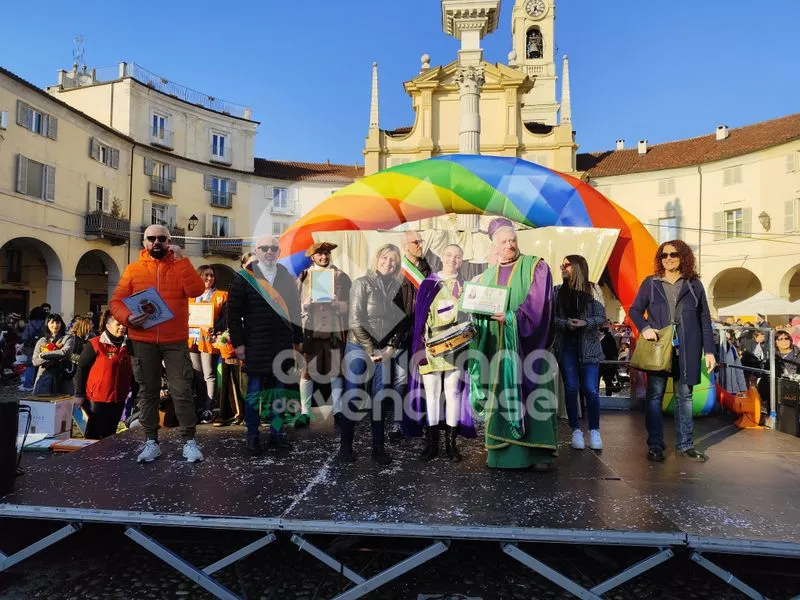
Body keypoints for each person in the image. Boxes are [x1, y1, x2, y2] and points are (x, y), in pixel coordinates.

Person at [110, 224, 206, 463]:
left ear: (169, 241)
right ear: (144, 242)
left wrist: (183, 260)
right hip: (142, 340)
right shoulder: (133, 270)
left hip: (175, 340)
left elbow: (196, 289)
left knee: (182, 390)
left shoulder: (179, 265)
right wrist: (128, 318)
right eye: (151, 238)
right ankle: (151, 441)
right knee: (147, 392)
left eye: (161, 239)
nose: (156, 242)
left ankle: (189, 442)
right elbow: (116, 302)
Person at [467, 218, 557, 470]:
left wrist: (510, 318)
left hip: (528, 348)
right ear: (494, 246)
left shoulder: (535, 267)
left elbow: (539, 307)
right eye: (504, 242)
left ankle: (538, 454)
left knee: (533, 397)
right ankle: (501, 454)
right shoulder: (486, 276)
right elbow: (477, 310)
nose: (509, 245)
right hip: (497, 350)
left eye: (513, 240)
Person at [629, 240, 716, 463]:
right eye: (663, 255)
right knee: (655, 396)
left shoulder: (694, 284)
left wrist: (709, 351)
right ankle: (655, 445)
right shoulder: (651, 283)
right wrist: (645, 328)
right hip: (658, 346)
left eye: (673, 254)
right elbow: (635, 310)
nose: (668, 258)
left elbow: (704, 318)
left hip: (687, 347)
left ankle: (685, 445)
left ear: (683, 257)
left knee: (684, 396)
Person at [228, 235, 302, 456]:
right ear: (256, 251)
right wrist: (239, 344)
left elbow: (295, 311)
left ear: (278, 252)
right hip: (255, 344)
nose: (269, 252)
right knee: (254, 394)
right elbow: (233, 316)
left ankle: (276, 435)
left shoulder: (286, 277)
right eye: (264, 248)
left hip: (281, 344)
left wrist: (298, 340)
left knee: (280, 394)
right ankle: (252, 437)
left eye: (273, 248)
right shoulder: (244, 277)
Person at [339, 243, 405, 465]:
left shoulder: (397, 287)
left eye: (393, 260)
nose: (389, 263)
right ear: (377, 259)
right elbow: (356, 320)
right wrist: (371, 350)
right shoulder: (361, 283)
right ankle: (345, 447)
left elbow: (400, 322)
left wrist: (392, 346)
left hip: (383, 350)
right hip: (359, 347)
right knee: (353, 397)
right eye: (385, 258)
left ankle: (378, 448)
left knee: (379, 399)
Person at [409, 244, 475, 462]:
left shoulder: (466, 285)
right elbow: (419, 319)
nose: (452, 259)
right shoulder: (429, 284)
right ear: (442, 257)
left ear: (462, 260)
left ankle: (451, 445)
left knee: (453, 393)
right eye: (448, 255)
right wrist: (420, 348)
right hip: (431, 346)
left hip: (456, 345)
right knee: (433, 394)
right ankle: (432, 444)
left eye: (457, 256)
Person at [553, 255, 607, 451]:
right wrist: (565, 323)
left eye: (566, 264)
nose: (563, 267)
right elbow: (552, 319)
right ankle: (575, 430)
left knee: (591, 390)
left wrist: (586, 323)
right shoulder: (557, 291)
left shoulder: (593, 289)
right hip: (566, 345)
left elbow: (602, 317)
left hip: (590, 346)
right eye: (562, 264)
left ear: (577, 267)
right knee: (571, 388)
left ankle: (594, 430)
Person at [296, 241, 351, 428]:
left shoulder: (342, 276)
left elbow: (352, 305)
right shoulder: (303, 277)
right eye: (319, 254)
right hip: (310, 331)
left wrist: (340, 305)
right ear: (312, 257)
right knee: (306, 372)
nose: (324, 257)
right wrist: (304, 305)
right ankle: (305, 412)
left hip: (334, 331)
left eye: (326, 253)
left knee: (336, 371)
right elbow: (294, 304)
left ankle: (338, 411)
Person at [390, 230, 432, 440]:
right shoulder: (397, 270)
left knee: (422, 378)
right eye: (416, 242)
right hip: (402, 334)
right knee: (401, 380)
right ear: (406, 245)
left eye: (420, 241)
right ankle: (398, 423)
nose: (419, 245)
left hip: (423, 334)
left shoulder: (427, 267)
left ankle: (421, 421)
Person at [74, 310, 132, 439]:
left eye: (124, 325)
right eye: (118, 324)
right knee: (93, 435)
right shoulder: (95, 344)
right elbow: (82, 369)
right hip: (96, 399)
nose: (122, 327)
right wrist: (79, 393)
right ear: (108, 325)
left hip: (118, 398)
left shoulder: (129, 346)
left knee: (110, 433)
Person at [188, 265, 228, 424]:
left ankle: (209, 408)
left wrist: (215, 327)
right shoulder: (190, 296)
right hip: (192, 340)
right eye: (205, 276)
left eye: (211, 275)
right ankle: (199, 406)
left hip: (209, 341)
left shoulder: (222, 295)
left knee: (209, 375)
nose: (209, 278)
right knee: (197, 376)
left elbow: (225, 318)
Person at [32, 313, 75, 395]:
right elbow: (35, 361)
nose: (55, 325)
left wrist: (43, 355)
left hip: (62, 377)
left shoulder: (68, 338)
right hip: (44, 379)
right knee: (44, 405)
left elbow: (64, 352)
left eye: (58, 322)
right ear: (47, 324)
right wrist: (54, 356)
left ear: (61, 324)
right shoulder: (42, 341)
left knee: (63, 405)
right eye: (52, 322)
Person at [18, 307, 46, 392]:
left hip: (30, 347)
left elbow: (25, 337)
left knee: (30, 365)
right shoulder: (45, 324)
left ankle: (28, 384)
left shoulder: (29, 325)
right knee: (42, 365)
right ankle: (39, 384)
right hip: (43, 346)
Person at [67, 316, 95, 387]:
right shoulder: (73, 337)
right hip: (74, 369)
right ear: (85, 325)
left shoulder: (91, 336)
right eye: (91, 324)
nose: (93, 325)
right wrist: (83, 360)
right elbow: (69, 355)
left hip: (86, 368)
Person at [600, 326, 619, 395]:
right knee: (608, 382)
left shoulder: (604, 338)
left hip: (604, 363)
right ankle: (608, 395)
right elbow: (614, 352)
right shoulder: (610, 338)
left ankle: (597, 397)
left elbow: (612, 352)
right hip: (608, 364)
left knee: (604, 382)